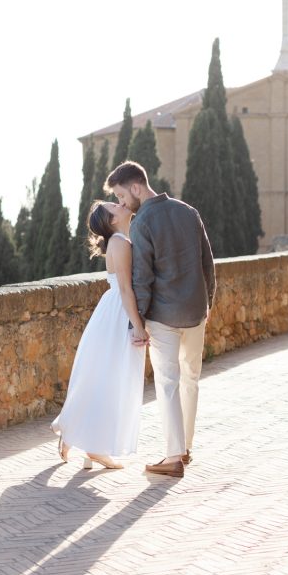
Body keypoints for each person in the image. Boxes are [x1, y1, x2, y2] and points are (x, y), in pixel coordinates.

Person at [105, 161, 215, 478]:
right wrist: (209, 301)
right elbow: (208, 263)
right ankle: (186, 448)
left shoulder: (142, 223)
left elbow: (142, 279)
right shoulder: (188, 211)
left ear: (137, 187)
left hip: (163, 316)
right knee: (191, 379)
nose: (123, 203)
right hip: (196, 312)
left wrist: (135, 324)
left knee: (168, 383)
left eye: (122, 196)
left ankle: (173, 456)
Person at [50, 200, 146, 470]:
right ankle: (94, 446)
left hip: (112, 311)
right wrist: (138, 326)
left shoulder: (119, 240)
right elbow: (127, 289)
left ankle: (76, 432)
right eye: (114, 206)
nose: (121, 204)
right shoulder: (120, 242)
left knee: (102, 376)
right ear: (112, 220)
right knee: (112, 378)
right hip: (119, 313)